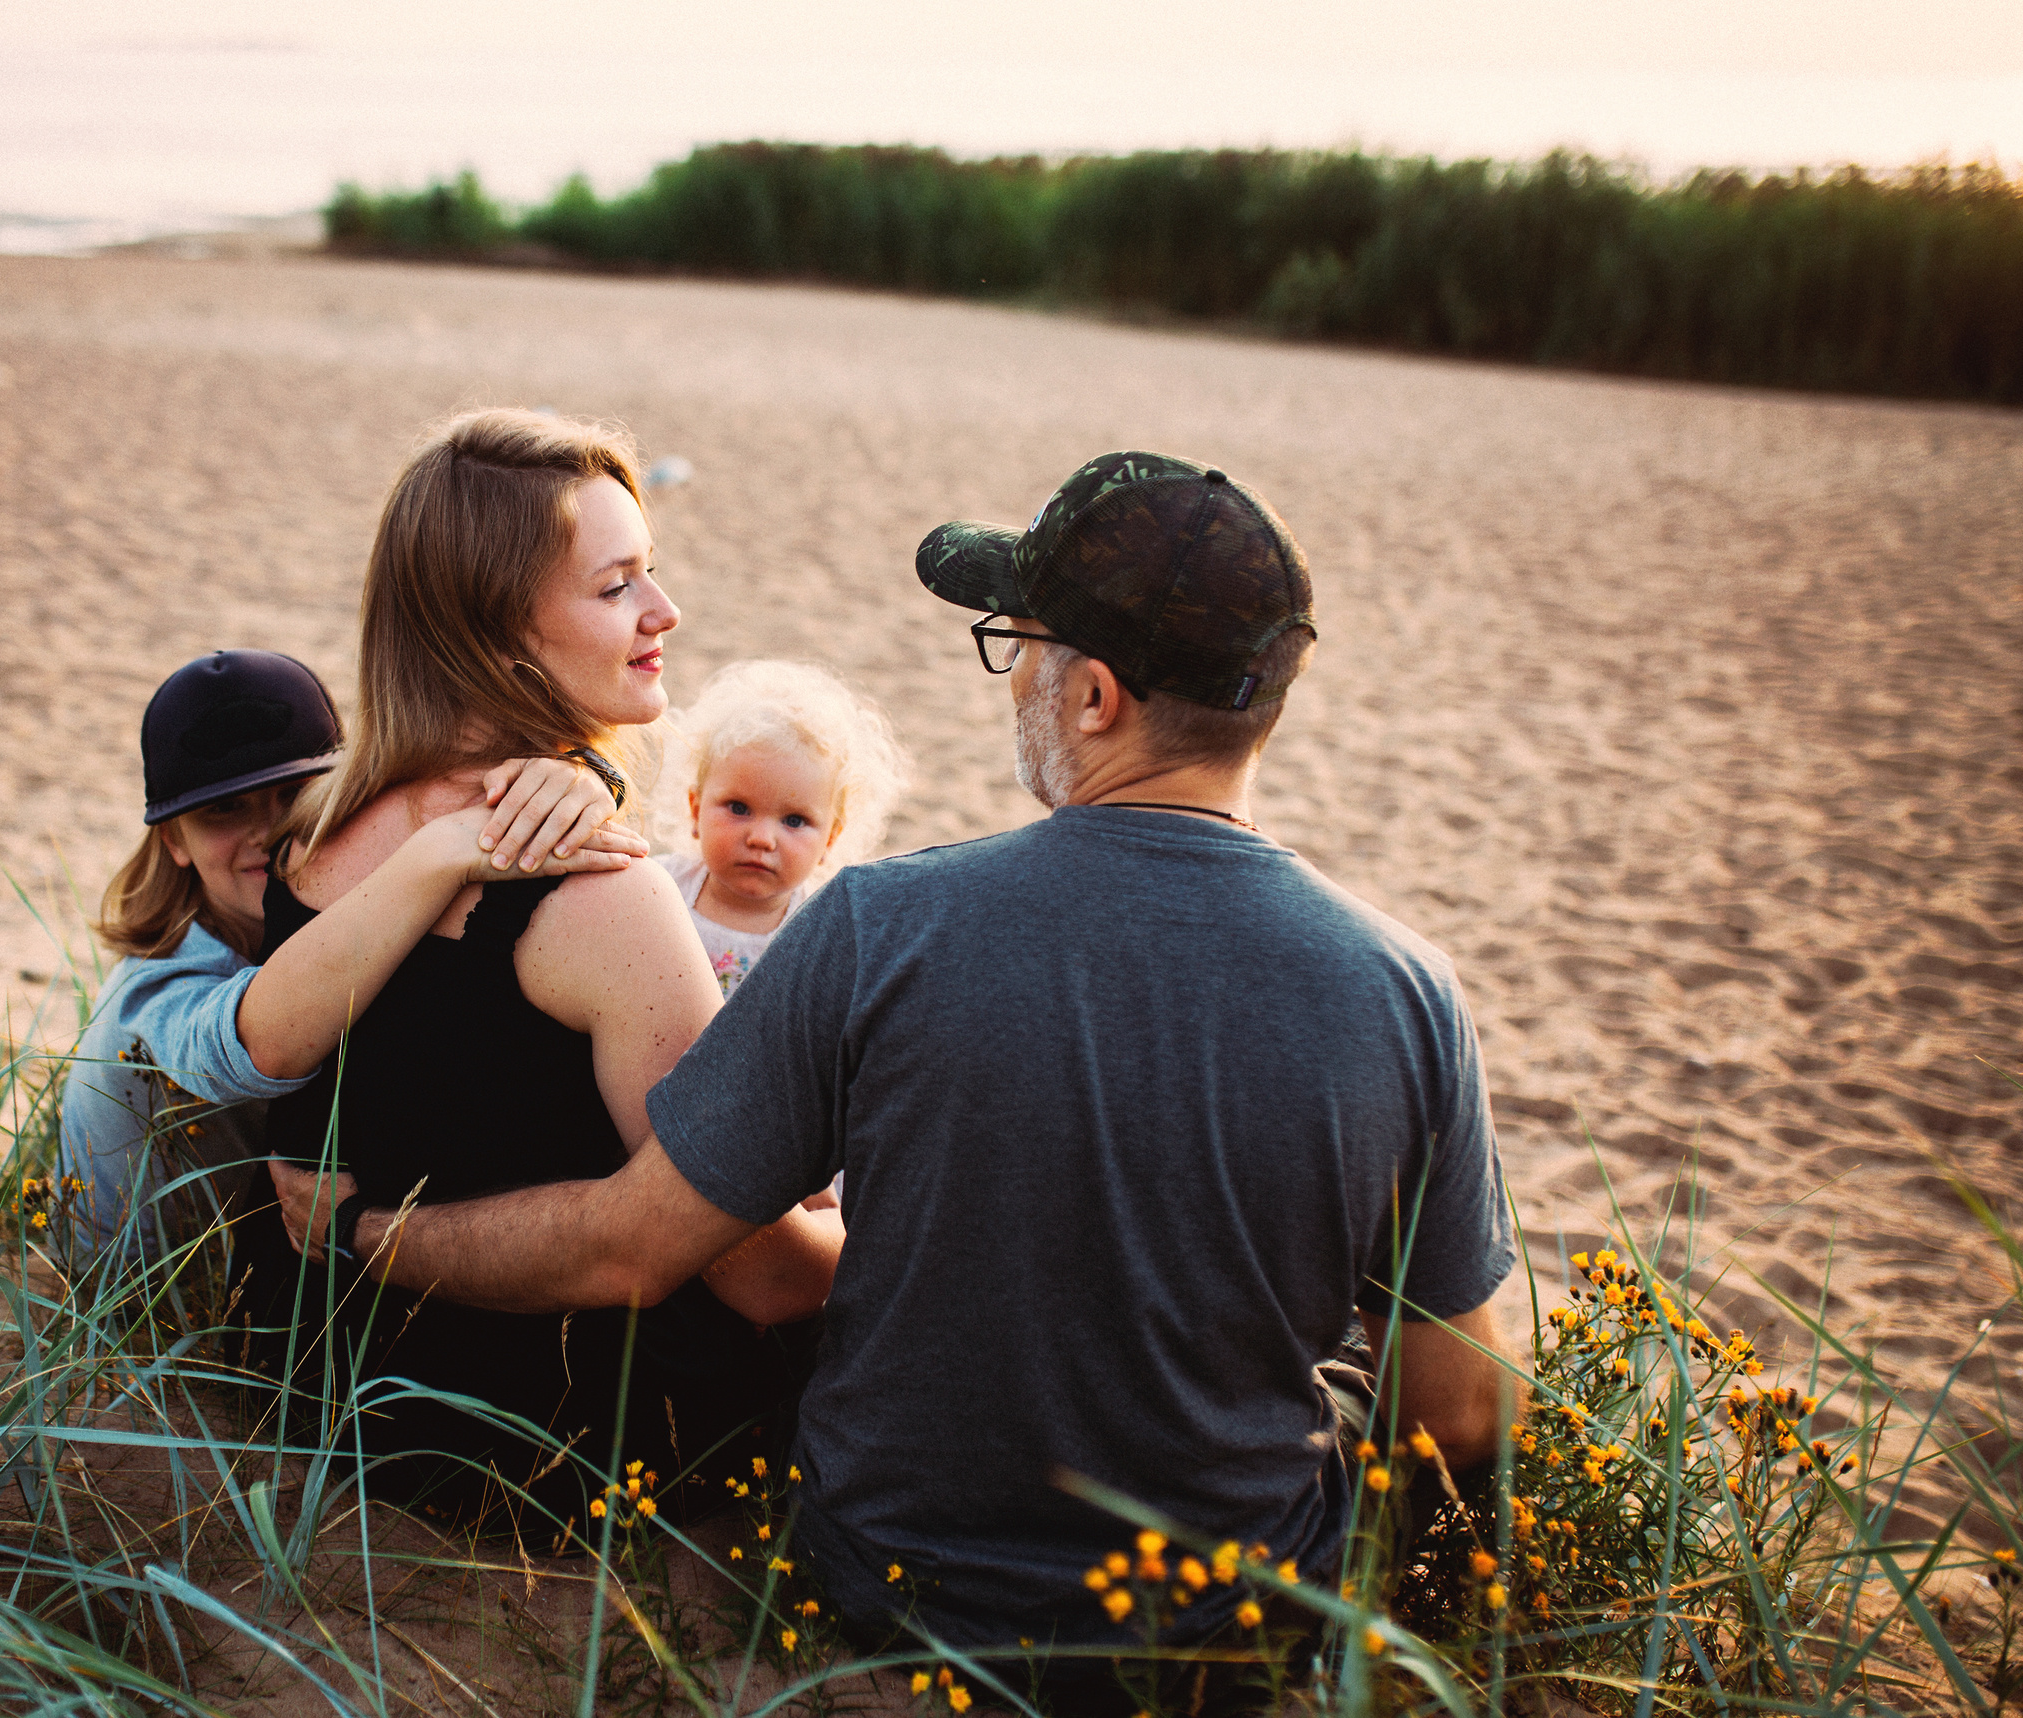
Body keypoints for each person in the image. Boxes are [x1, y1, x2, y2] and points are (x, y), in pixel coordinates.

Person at [280, 451, 1516, 1697]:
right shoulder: (1403, 990)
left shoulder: (879, 926)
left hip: (885, 1584)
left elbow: (629, 1244)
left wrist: (373, 1234)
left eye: (1018, 645)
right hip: (1225, 1623)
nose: (1014, 677)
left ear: (1092, 696)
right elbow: (1460, 1412)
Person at [243, 410, 841, 1523]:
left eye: (648, 574)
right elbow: (752, 1271)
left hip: (330, 1400)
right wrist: (880, 1235)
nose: (664, 612)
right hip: (547, 1452)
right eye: (616, 586)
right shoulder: (603, 899)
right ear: (494, 630)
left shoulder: (319, 827)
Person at [61, 648, 636, 1262]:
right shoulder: (157, 981)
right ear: (174, 838)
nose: (266, 830)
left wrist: (575, 779)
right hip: (144, 1311)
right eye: (223, 810)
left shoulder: (329, 907)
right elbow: (241, 1053)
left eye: (292, 793)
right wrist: (434, 857)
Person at [652, 659, 909, 998]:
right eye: (739, 808)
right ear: (695, 810)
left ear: (830, 838)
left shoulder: (823, 931)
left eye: (794, 821)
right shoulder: (661, 890)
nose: (761, 839)